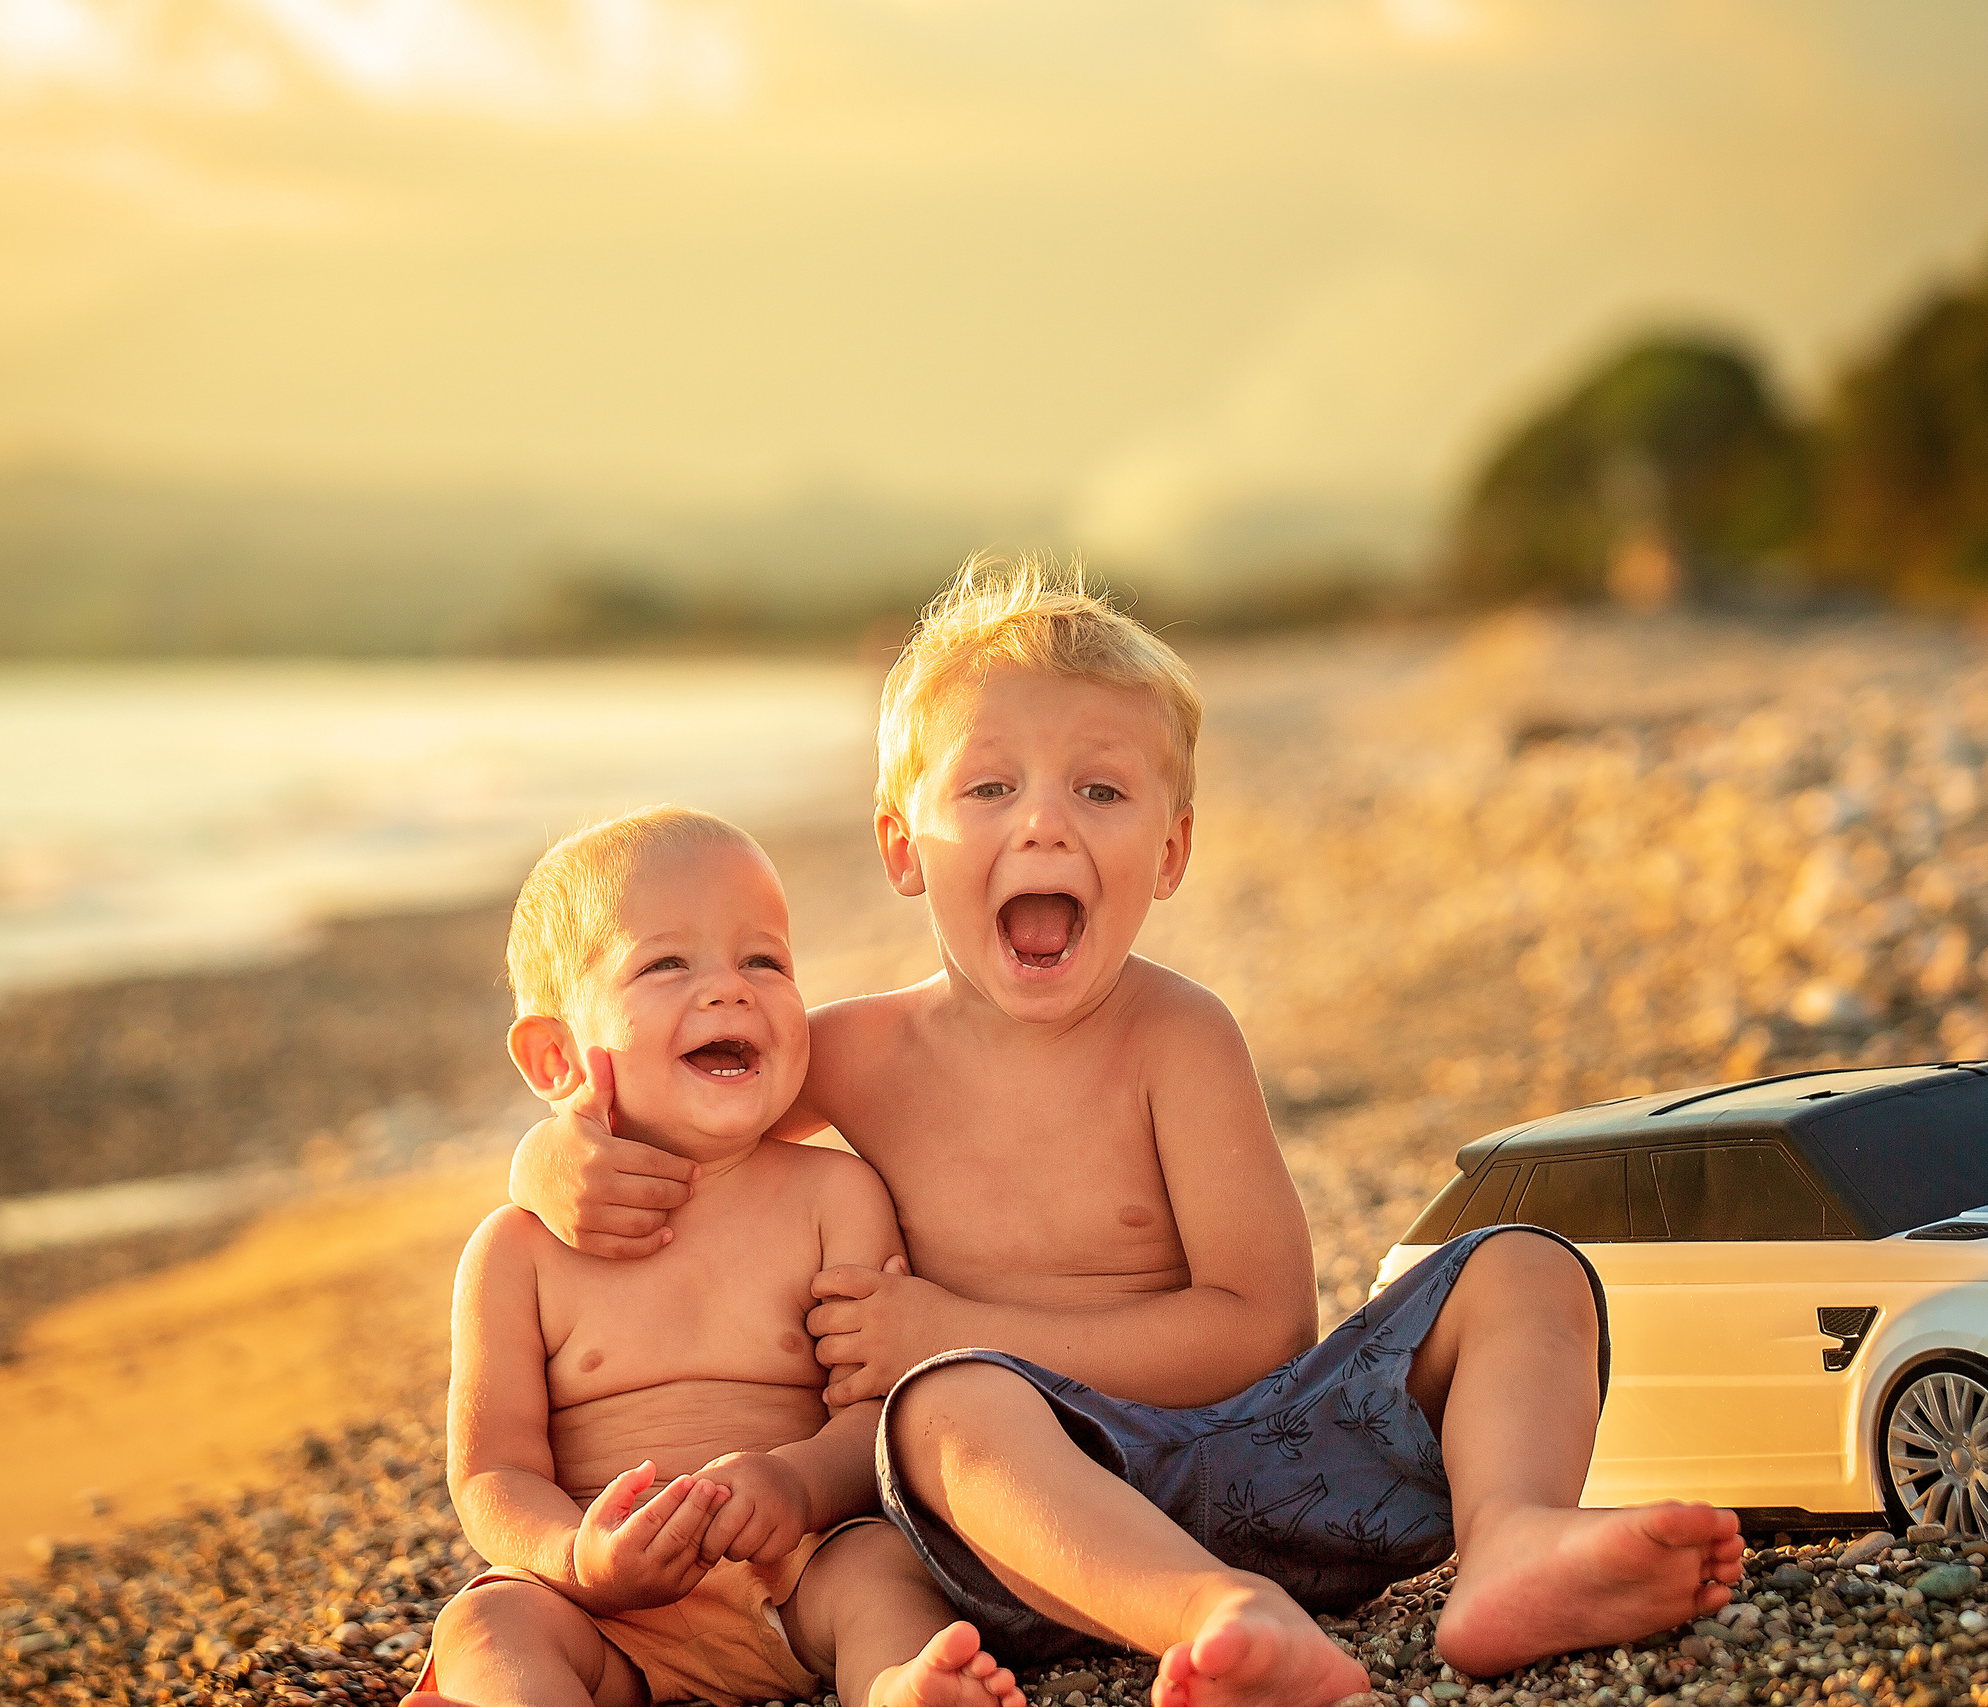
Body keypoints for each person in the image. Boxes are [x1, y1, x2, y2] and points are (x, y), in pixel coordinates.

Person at [508, 564, 1745, 1702]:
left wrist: (960, 1328)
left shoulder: (1179, 1039)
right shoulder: (855, 1053)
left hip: (1271, 1467)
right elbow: (695, 1093)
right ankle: (1220, 1619)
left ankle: (1511, 1541)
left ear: (1171, 849)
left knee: (1521, 1263)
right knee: (939, 1414)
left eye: (1098, 789)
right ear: (903, 848)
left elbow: (1264, 1327)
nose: (1043, 826)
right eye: (989, 789)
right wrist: (554, 1150)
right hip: (1033, 1529)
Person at [414, 805, 1026, 1707]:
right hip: (602, 1613)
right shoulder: (516, 1252)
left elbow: (879, 1415)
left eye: (764, 960)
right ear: (556, 1057)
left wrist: (797, 1482)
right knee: (483, 1626)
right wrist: (577, 1554)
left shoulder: (833, 1197)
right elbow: (492, 1473)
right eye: (666, 963)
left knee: (882, 1572)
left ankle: (897, 1687)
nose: (730, 989)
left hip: (794, 1570)